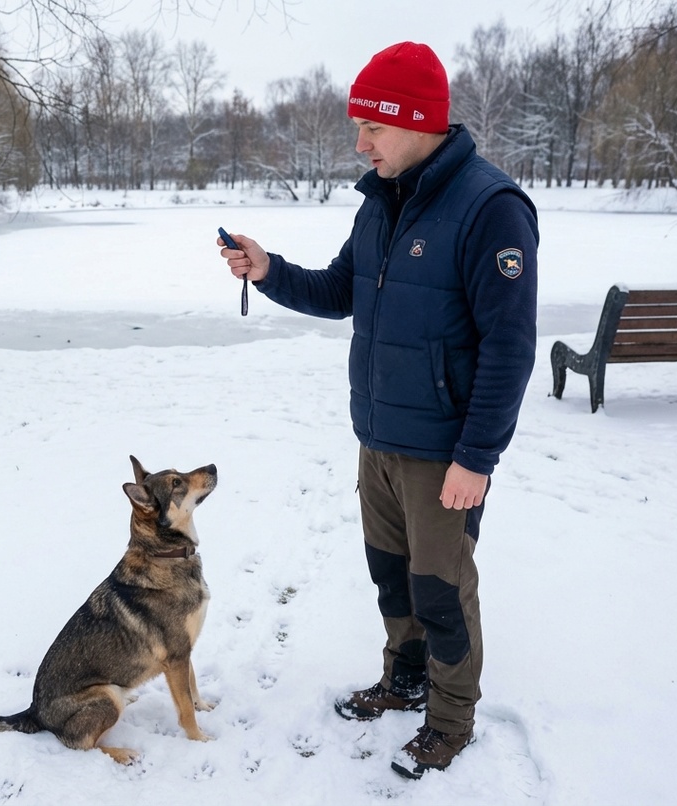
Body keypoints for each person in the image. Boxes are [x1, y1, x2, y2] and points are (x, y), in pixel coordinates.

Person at [217, 42, 538, 780]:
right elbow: (340, 292)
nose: (359, 144)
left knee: (443, 591)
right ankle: (404, 679)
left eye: (373, 128)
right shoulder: (380, 200)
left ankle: (451, 720)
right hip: (380, 440)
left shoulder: (491, 210)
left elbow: (510, 348)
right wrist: (268, 272)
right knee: (392, 578)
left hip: (443, 456)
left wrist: (475, 458)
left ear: (419, 123)